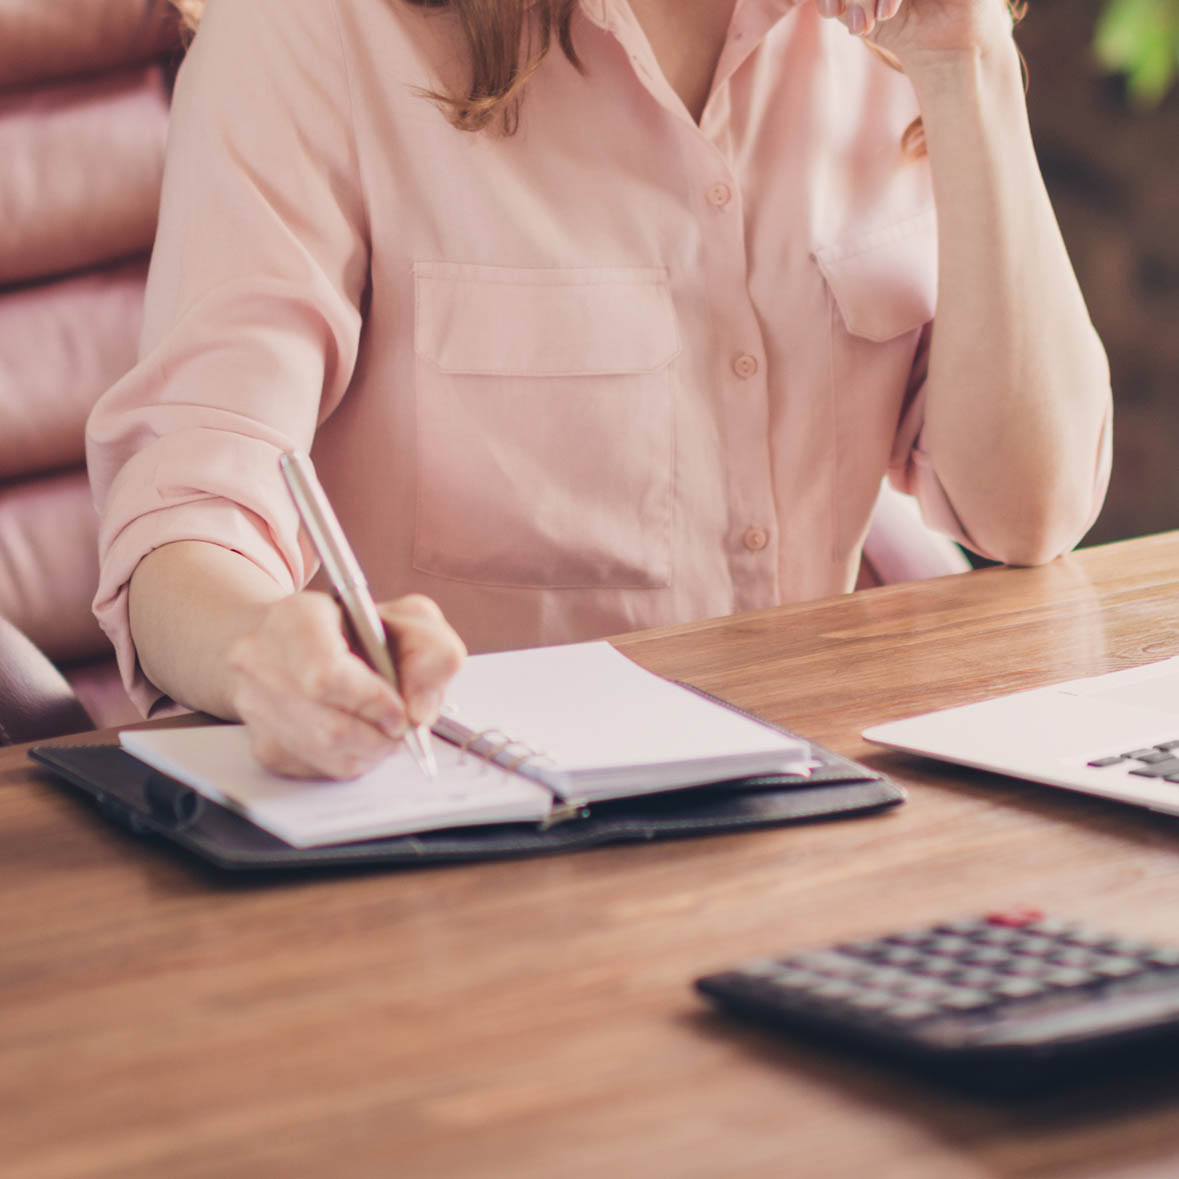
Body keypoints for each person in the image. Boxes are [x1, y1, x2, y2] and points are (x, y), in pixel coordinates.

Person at [87, 0, 1112, 779]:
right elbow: (184, 510)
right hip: (465, 835)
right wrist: (257, 648)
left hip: (806, 794)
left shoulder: (885, 35)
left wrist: (966, 61)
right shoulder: (311, 36)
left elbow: (1026, 512)